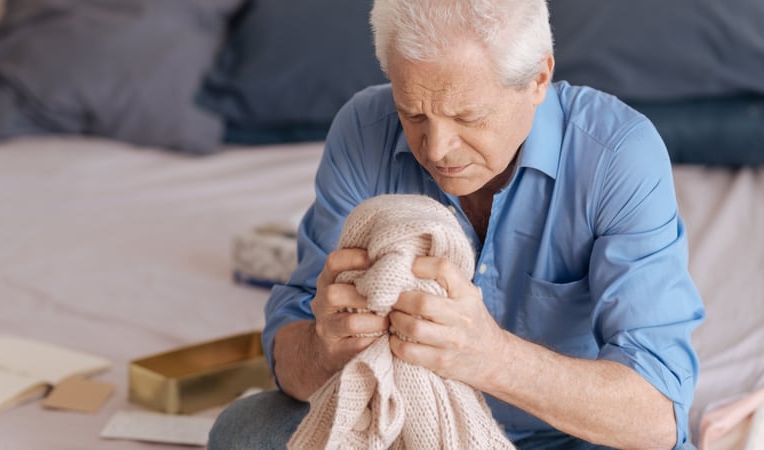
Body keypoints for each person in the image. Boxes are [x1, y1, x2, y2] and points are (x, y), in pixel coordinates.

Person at [208, 0, 705, 448]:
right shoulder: (362, 130)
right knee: (244, 432)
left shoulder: (619, 156)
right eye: (413, 113)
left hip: (570, 434)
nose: (437, 149)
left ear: (538, 79)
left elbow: (656, 416)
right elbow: (291, 344)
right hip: (402, 422)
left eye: (467, 117)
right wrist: (323, 349)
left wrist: (490, 357)